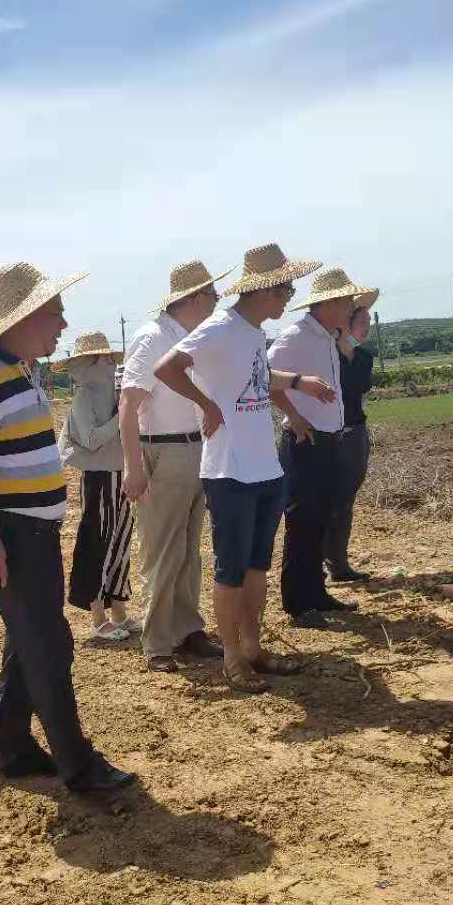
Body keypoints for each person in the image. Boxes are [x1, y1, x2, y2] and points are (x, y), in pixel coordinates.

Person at [0, 261, 137, 792]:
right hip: (11, 535)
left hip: (33, 533)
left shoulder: (23, 372)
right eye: (55, 312)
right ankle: (78, 765)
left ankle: (13, 748)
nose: (63, 323)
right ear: (24, 317)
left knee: (28, 640)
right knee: (50, 647)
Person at [153, 244, 339, 694]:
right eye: (286, 289)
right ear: (265, 290)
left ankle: (253, 646)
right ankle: (232, 657)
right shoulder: (219, 328)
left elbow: (257, 379)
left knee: (258, 567)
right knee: (231, 570)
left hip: (265, 468)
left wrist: (297, 383)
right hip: (229, 470)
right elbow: (166, 368)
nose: (289, 297)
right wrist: (205, 404)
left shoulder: (254, 333)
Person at [119, 261, 229, 673]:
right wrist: (133, 467)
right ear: (196, 298)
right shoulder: (153, 338)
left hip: (194, 449)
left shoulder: (188, 337)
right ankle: (158, 642)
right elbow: (127, 405)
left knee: (187, 549)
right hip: (163, 452)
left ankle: (187, 629)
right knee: (164, 551)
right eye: (214, 295)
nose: (217, 301)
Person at [268, 266, 379, 627]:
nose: (352, 308)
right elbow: (262, 380)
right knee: (301, 524)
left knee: (319, 520)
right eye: (348, 302)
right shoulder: (296, 337)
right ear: (330, 303)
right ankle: (298, 604)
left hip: (330, 439)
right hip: (305, 441)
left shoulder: (328, 337)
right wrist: (293, 415)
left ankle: (316, 594)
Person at [54, 331, 138, 642]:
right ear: (85, 365)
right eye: (100, 358)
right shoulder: (84, 397)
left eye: (107, 357)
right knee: (98, 544)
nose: (107, 362)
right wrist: (123, 416)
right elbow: (90, 439)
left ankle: (119, 614)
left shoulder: (114, 395)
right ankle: (98, 618)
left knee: (120, 544)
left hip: (120, 475)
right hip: (99, 479)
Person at [325, 296, 379, 581]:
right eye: (361, 321)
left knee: (345, 501)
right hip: (327, 436)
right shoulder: (325, 355)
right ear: (345, 323)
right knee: (323, 500)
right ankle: (319, 562)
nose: (367, 327)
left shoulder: (365, 358)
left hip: (355, 433)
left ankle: (338, 564)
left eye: (369, 321)